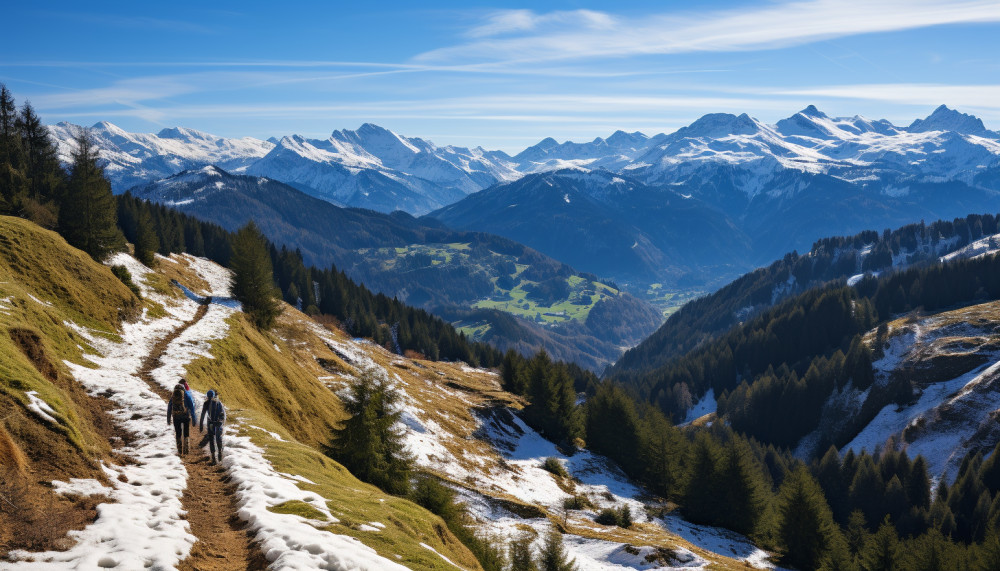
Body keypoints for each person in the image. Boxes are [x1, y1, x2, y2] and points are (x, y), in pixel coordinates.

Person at [166, 382, 196, 455]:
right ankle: (186, 450)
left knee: (178, 433)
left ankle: (179, 450)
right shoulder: (187, 395)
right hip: (185, 416)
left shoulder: (173, 396)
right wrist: (193, 418)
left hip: (176, 416)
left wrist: (168, 418)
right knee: (186, 433)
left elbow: (169, 407)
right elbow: (192, 407)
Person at [199, 389, 226, 465]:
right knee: (218, 438)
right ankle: (220, 452)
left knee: (211, 439)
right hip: (218, 423)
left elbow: (203, 414)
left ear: (207, 396)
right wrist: (221, 422)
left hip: (210, 423)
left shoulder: (206, 403)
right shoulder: (218, 403)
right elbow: (223, 414)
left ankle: (213, 457)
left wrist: (201, 425)